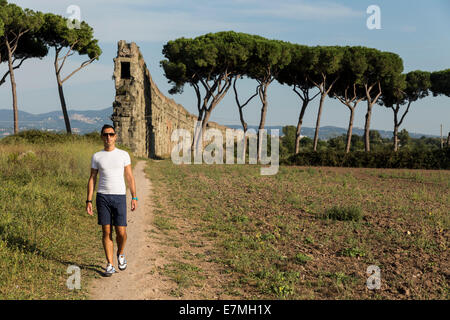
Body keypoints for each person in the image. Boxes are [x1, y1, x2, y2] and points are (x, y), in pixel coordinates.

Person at [86, 124, 137, 277]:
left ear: (115, 136)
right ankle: (109, 264)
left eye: (111, 134)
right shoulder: (97, 156)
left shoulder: (123, 155)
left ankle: (120, 254)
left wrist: (134, 196)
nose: (108, 137)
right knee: (106, 231)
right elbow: (92, 178)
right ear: (102, 137)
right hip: (103, 197)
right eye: (105, 135)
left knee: (121, 232)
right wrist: (88, 200)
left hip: (120, 196)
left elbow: (129, 176)